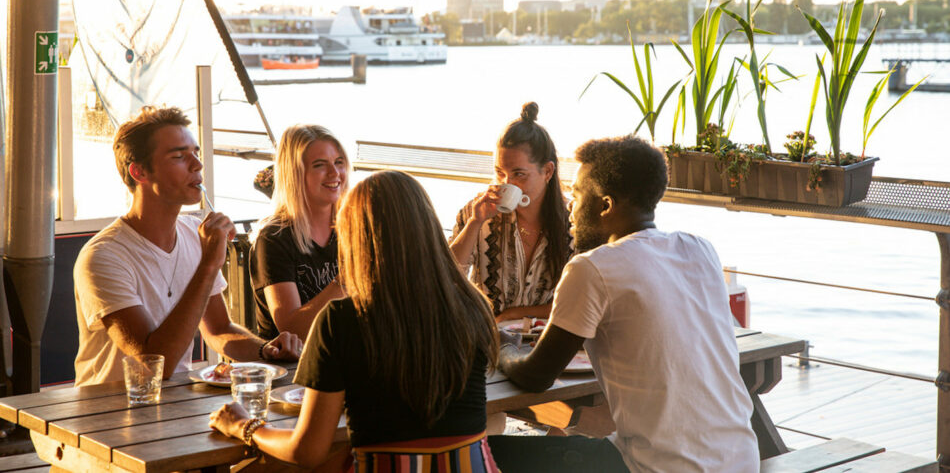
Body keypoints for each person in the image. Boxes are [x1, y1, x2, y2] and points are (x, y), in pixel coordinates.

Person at [490, 135, 758, 472]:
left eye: (576, 195)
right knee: (568, 442)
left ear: (604, 206)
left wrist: (502, 347)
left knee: (488, 452)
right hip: (740, 460)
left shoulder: (592, 267)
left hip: (657, 468)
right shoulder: (699, 248)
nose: (571, 209)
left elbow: (536, 376)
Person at [210, 171, 501, 472]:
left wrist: (246, 425)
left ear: (356, 240)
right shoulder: (473, 307)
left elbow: (307, 451)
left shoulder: (341, 321)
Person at [73, 106, 302, 387]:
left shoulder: (194, 235)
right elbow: (155, 363)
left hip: (175, 405)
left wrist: (263, 350)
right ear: (139, 171)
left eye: (195, 153)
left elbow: (218, 329)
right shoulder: (104, 256)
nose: (197, 164)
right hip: (107, 414)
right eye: (180, 156)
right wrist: (209, 265)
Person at [450, 102, 572, 322]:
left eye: (519, 174)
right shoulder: (476, 212)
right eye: (500, 173)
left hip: (543, 339)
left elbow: (578, 301)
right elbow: (448, 278)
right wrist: (474, 224)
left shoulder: (574, 221)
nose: (507, 183)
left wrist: (513, 314)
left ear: (547, 171)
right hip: (487, 334)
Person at [249, 125, 347, 341]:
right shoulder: (274, 237)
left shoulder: (353, 227)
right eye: (319, 165)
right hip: (292, 367)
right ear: (294, 174)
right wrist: (347, 279)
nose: (334, 173)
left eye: (339, 162)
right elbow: (292, 330)